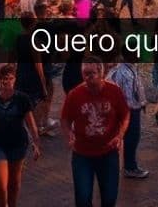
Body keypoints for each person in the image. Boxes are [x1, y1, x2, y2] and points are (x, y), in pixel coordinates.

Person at [60, 56, 129, 207]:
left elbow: (125, 115)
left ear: (101, 73)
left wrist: (120, 135)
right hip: (82, 154)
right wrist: (69, 134)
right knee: (83, 198)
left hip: (108, 152)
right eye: (85, 74)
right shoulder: (75, 94)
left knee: (109, 198)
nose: (88, 78)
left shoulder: (114, 91)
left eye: (92, 74)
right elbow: (65, 119)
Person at [0, 64, 41, 207]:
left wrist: (36, 142)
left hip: (18, 144)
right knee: (1, 184)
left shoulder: (22, 99)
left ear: (15, 79)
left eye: (10, 78)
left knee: (14, 183)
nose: (7, 82)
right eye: (4, 79)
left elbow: (30, 123)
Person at [106, 53, 150, 179]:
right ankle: (129, 167)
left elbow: (137, 87)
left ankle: (129, 165)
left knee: (131, 138)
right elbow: (125, 94)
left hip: (131, 109)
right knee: (131, 138)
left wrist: (142, 102)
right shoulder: (122, 72)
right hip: (129, 110)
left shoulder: (130, 68)